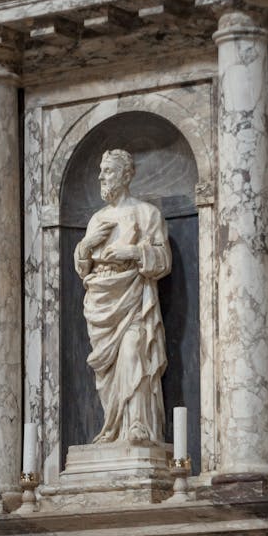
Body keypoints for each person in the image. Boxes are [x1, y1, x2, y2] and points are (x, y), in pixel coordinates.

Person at [75, 149, 171, 445]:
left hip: (132, 298)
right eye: (101, 171)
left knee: (133, 352)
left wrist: (134, 252)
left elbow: (163, 259)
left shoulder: (147, 214)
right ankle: (112, 428)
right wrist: (86, 245)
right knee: (107, 372)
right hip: (101, 299)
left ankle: (138, 426)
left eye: (109, 171)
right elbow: (82, 267)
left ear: (126, 175)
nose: (101, 176)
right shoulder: (97, 219)